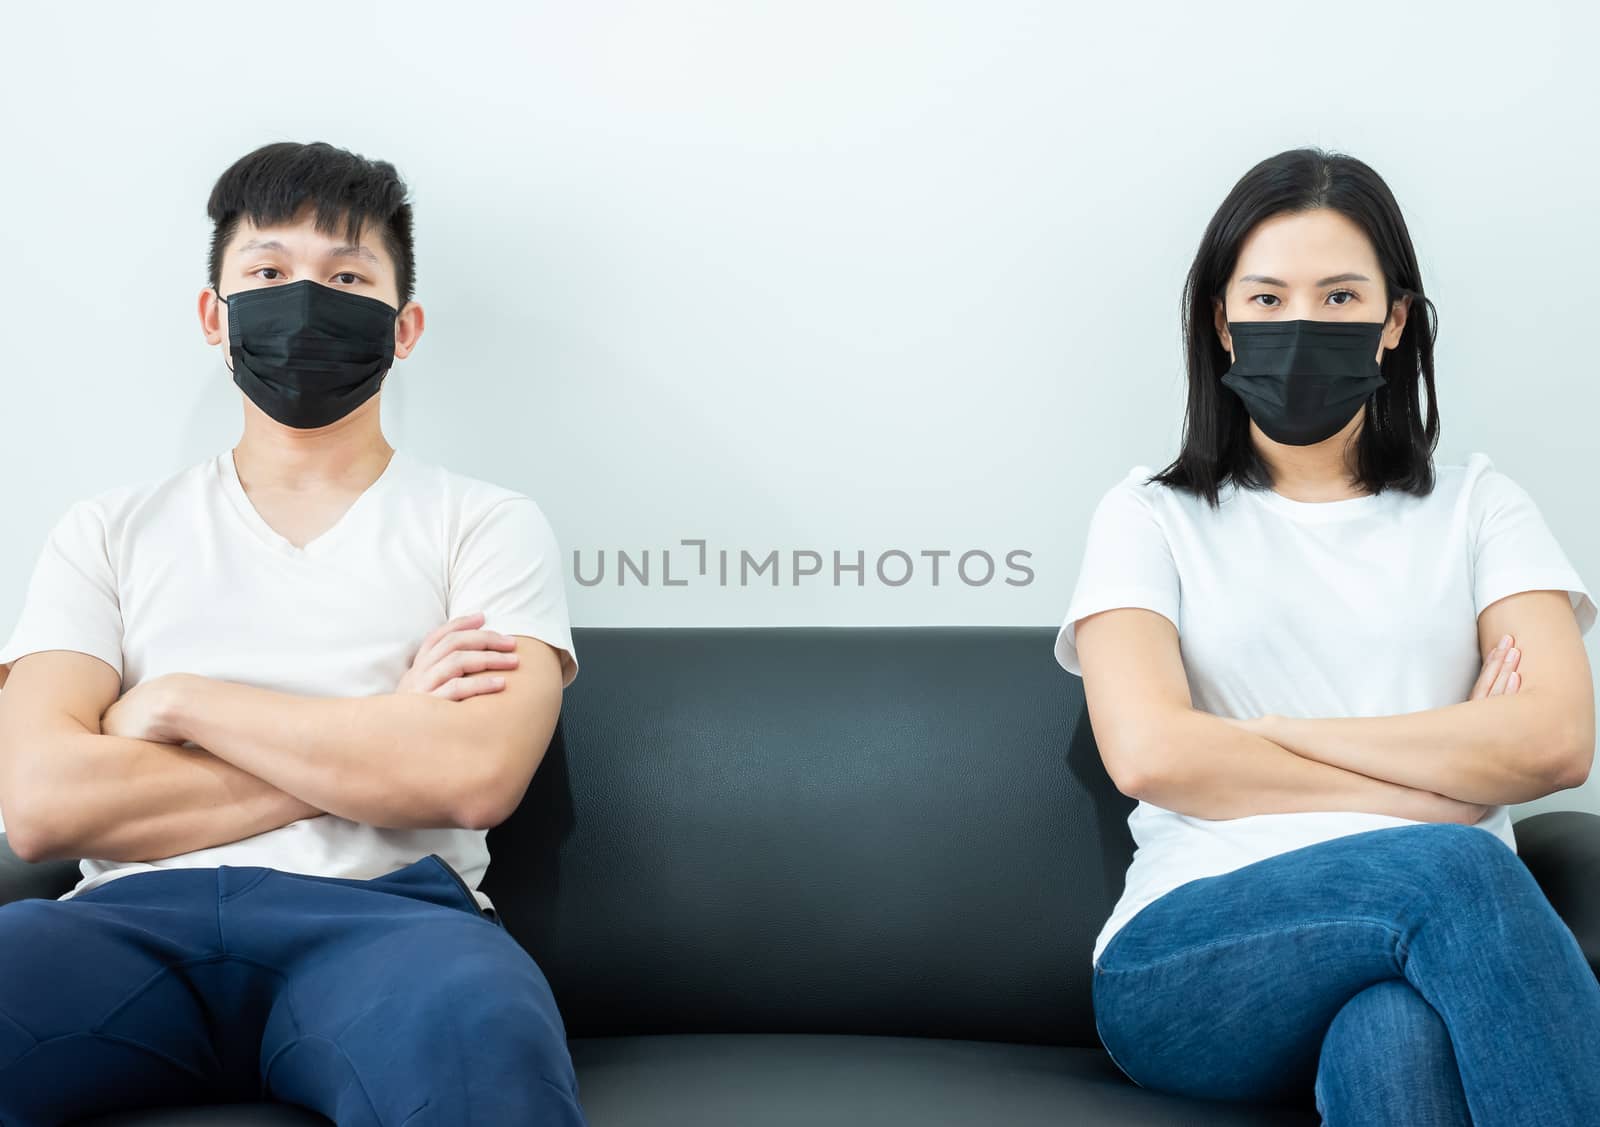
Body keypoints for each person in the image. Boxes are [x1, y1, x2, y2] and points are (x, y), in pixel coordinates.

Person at [0, 141, 588, 1125]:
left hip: (393, 919)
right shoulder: (103, 530)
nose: (305, 300)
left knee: (484, 1053)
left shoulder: (484, 524)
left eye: (346, 277)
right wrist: (386, 729)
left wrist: (180, 702)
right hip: (119, 925)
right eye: (268, 272)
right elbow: (42, 805)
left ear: (403, 329)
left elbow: (471, 779)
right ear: (212, 314)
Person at [1056, 147, 1599, 1123]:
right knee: (1460, 864)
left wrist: (1265, 734)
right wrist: (1438, 785)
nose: (1299, 324)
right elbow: (1149, 752)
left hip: (1427, 948)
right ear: (1220, 321)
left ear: (1393, 321)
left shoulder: (1480, 505)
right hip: (1195, 951)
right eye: (1265, 298)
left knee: (1396, 1037)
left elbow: (1555, 742)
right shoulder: (1147, 515)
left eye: (1340, 296)